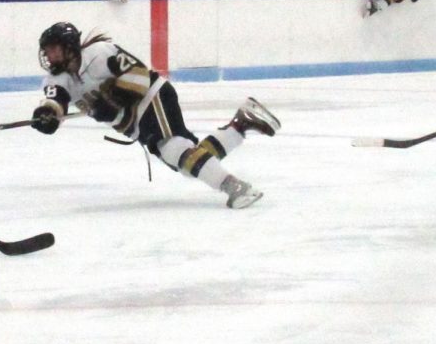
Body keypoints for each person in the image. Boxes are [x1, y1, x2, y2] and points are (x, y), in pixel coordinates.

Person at [31, 22, 280, 208]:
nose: (50, 56)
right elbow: (55, 101)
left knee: (173, 149)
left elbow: (139, 76)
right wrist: (46, 115)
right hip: (136, 122)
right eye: (47, 51)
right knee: (185, 162)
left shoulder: (100, 52)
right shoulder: (56, 79)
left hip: (152, 98)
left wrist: (111, 99)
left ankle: (234, 186)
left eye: (54, 49)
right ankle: (241, 124)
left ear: (70, 47)